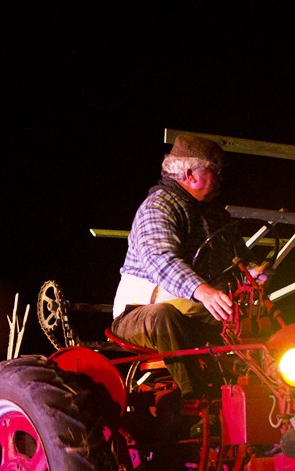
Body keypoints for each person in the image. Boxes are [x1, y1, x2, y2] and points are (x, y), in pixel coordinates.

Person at [110, 134, 266, 400]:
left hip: (196, 311)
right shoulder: (158, 207)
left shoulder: (217, 215)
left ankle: (274, 390)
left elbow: (241, 256)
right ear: (191, 173)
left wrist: (255, 273)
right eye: (215, 170)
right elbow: (160, 259)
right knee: (164, 316)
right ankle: (198, 402)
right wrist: (203, 290)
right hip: (138, 315)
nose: (221, 177)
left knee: (256, 318)